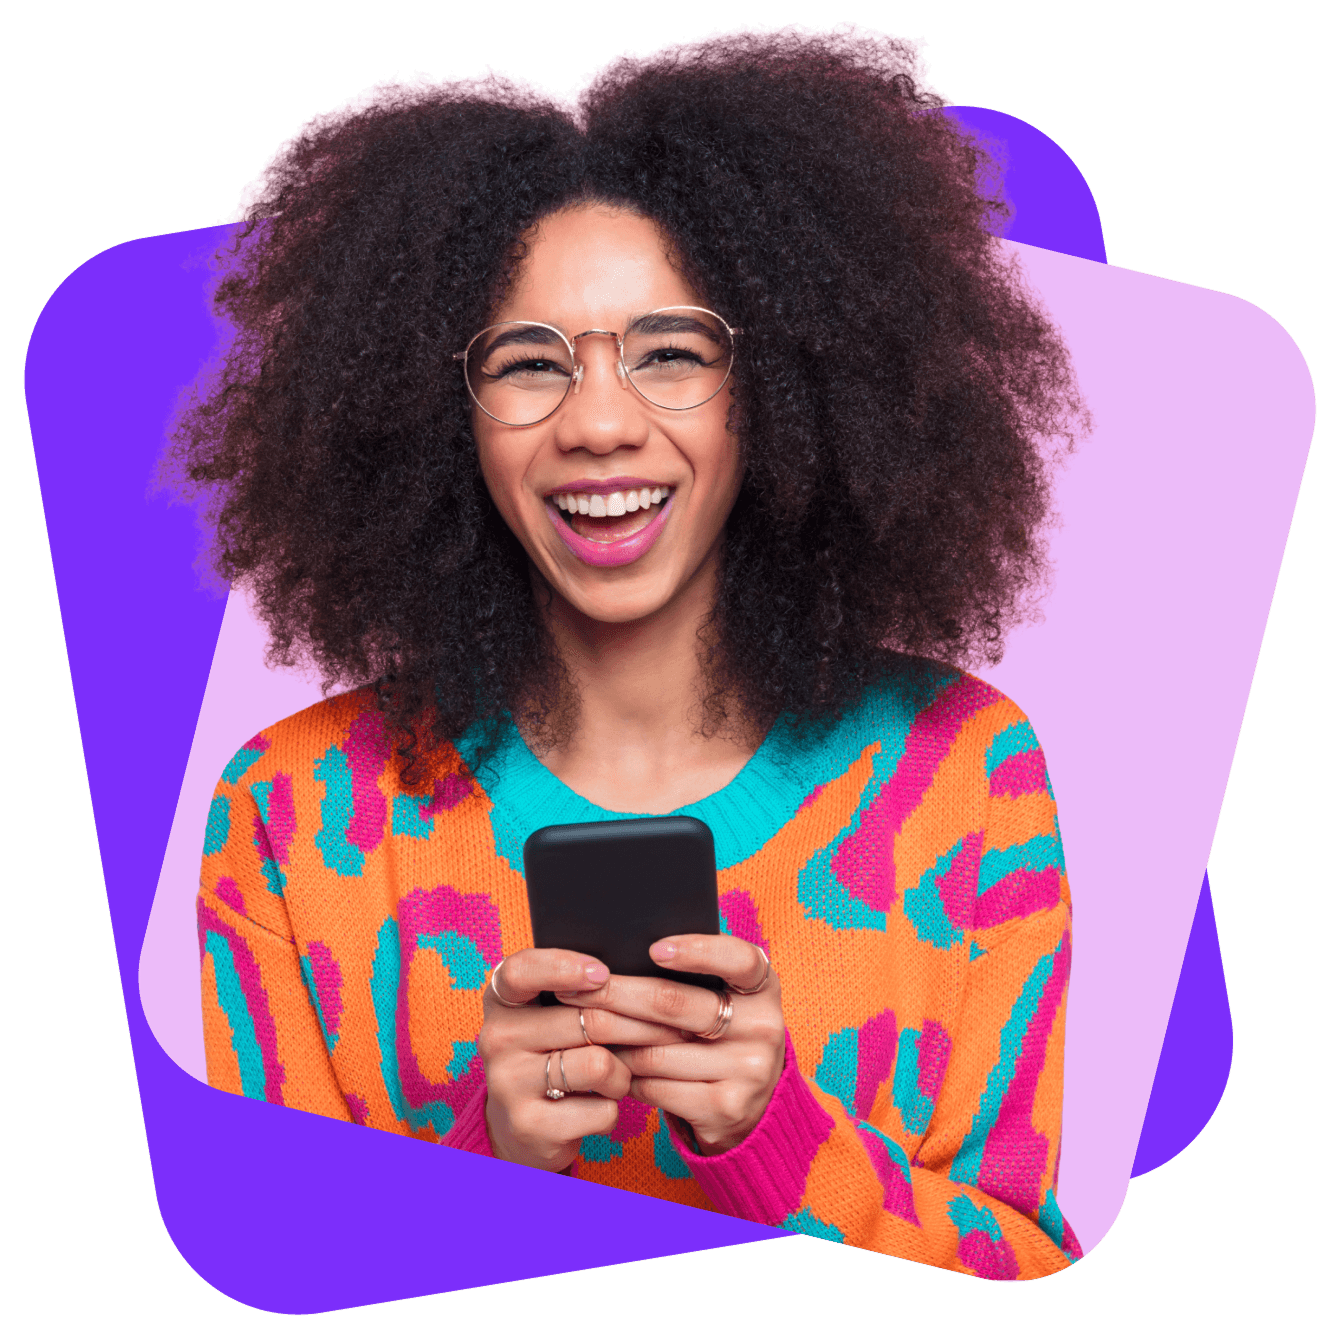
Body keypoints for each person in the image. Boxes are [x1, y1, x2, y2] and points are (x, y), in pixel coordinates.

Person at [172, 24, 1088, 1279]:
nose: (599, 422)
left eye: (669, 352)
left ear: (783, 383)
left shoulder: (965, 777)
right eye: (526, 363)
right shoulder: (286, 812)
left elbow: (1040, 1277)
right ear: (440, 418)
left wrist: (776, 1132)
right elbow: (255, 1272)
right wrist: (484, 1153)